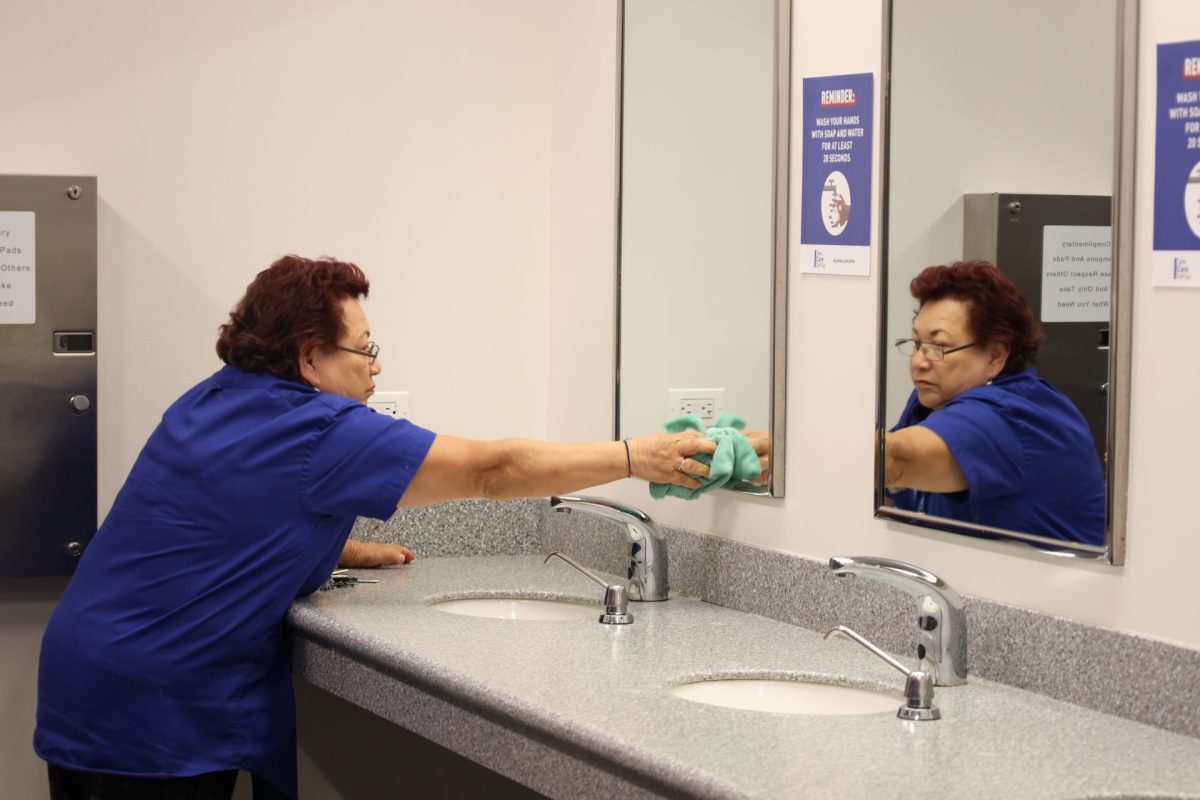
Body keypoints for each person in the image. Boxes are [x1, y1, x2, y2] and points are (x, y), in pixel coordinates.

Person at [35, 255, 759, 800]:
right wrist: (639, 455)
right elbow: (492, 471)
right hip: (154, 714)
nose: (378, 367)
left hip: (88, 677)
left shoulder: (217, 399)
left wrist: (331, 545)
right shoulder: (319, 429)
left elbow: (207, 520)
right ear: (311, 358)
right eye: (366, 350)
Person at [884, 260, 1105, 546]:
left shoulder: (1010, 417)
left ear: (995, 356)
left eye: (939, 347)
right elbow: (892, 493)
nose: (918, 363)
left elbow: (897, 460)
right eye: (917, 345)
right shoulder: (933, 399)